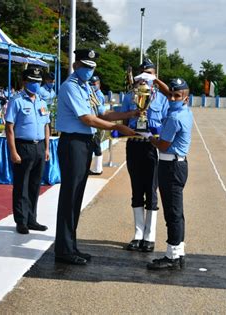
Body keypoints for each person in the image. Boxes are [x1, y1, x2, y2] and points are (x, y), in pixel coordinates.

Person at [54, 49, 137, 265]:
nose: (89, 71)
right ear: (75, 66)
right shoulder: (70, 87)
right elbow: (87, 119)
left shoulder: (87, 88)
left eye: (92, 67)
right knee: (70, 196)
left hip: (84, 143)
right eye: (85, 66)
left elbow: (102, 113)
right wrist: (117, 128)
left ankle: (71, 245)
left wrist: (130, 114)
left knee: (77, 195)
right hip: (73, 142)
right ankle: (63, 249)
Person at [120, 58, 169, 253]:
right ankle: (138, 234)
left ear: (155, 76)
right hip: (134, 145)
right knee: (136, 189)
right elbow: (123, 121)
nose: (145, 78)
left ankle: (150, 236)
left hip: (152, 146)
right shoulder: (129, 97)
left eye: (150, 74)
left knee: (152, 190)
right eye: (143, 74)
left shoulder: (162, 99)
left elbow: (167, 123)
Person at [145, 77, 193, 270]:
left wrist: (150, 138)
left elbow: (163, 145)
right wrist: (156, 80)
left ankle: (172, 257)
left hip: (170, 166)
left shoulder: (174, 117)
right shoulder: (184, 110)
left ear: (185, 98)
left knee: (172, 213)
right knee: (177, 212)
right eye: (170, 95)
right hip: (178, 165)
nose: (172, 98)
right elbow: (170, 93)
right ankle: (178, 251)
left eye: (177, 96)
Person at [5, 67, 50, 234]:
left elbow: (46, 126)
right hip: (23, 146)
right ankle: (21, 221)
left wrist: (46, 148)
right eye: (32, 81)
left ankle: (32, 219)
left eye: (38, 81)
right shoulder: (16, 101)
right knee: (21, 186)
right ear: (24, 82)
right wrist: (13, 151)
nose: (36, 84)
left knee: (35, 185)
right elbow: (9, 128)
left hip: (39, 147)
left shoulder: (42, 101)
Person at [88, 75, 106, 175]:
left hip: (97, 123)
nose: (93, 85)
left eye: (95, 84)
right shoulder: (95, 94)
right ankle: (97, 168)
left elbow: (99, 111)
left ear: (99, 84)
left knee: (96, 145)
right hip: (96, 123)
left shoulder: (98, 95)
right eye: (92, 84)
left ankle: (97, 168)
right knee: (95, 145)